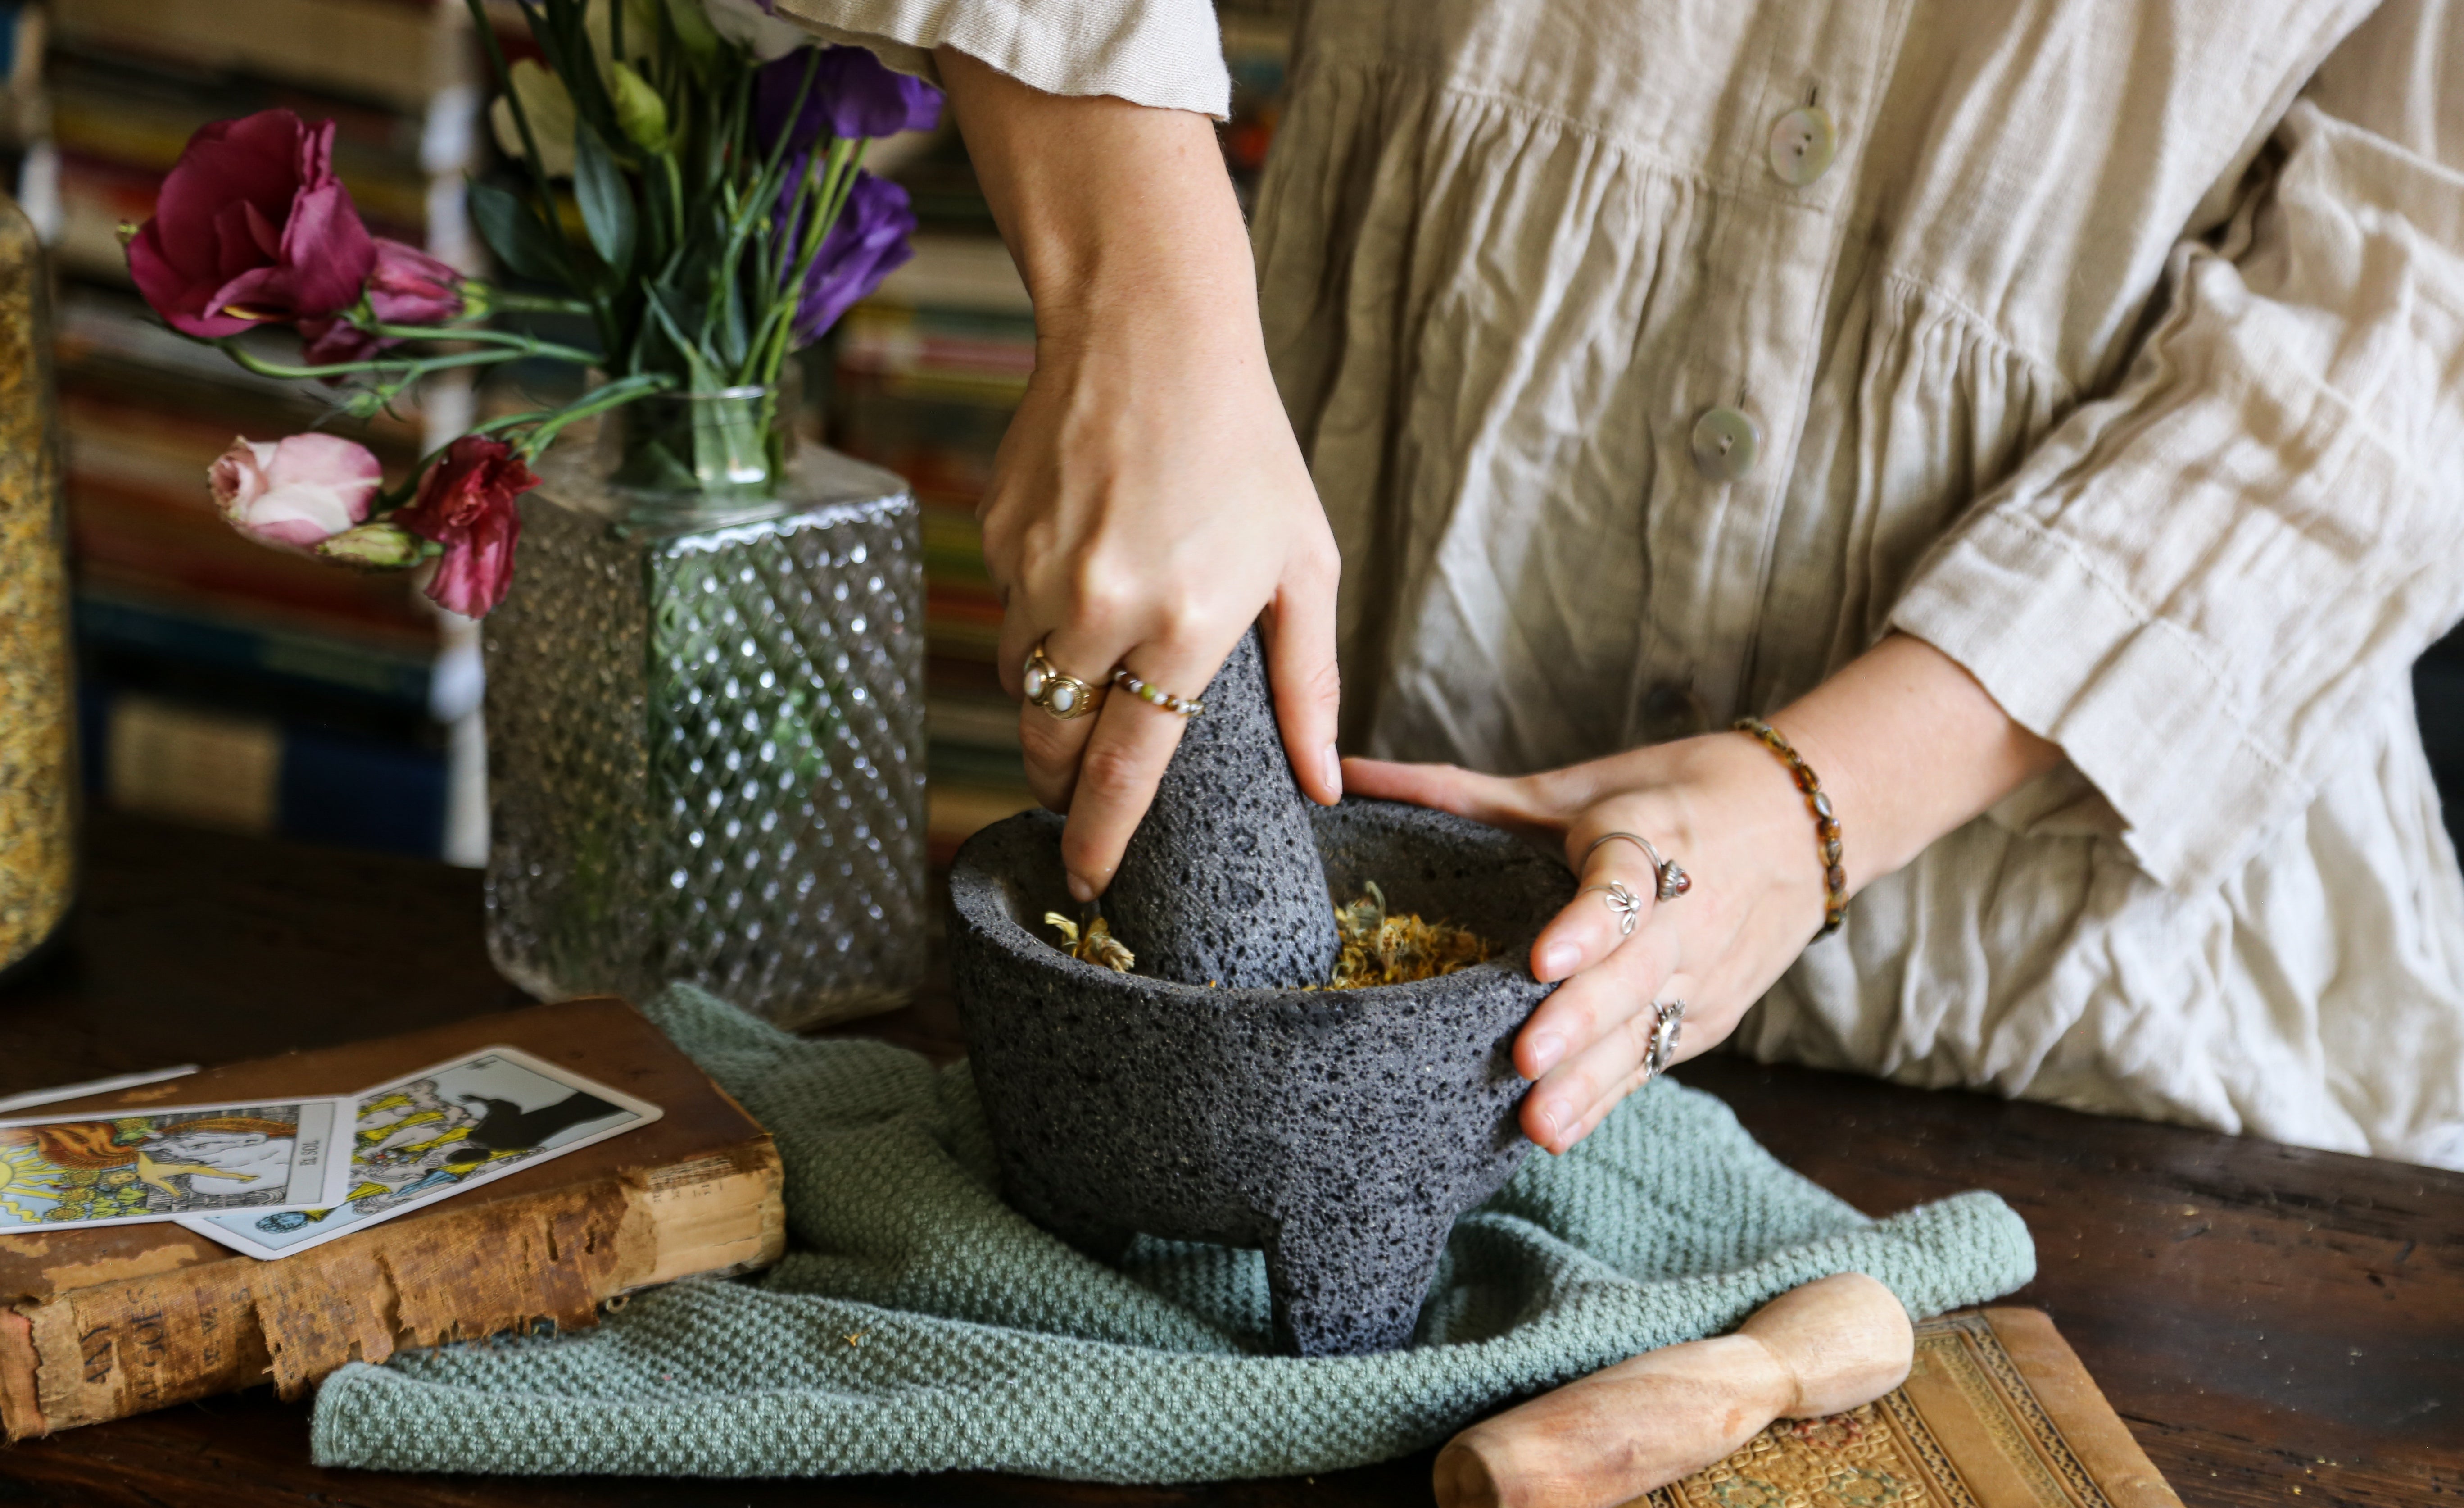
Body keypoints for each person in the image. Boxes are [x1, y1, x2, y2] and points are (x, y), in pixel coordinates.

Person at [764, 0, 2464, 1168]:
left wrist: (1823, 803)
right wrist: (1138, 287)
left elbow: (2412, 294)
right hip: (1397, 741)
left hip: (2075, 1013)